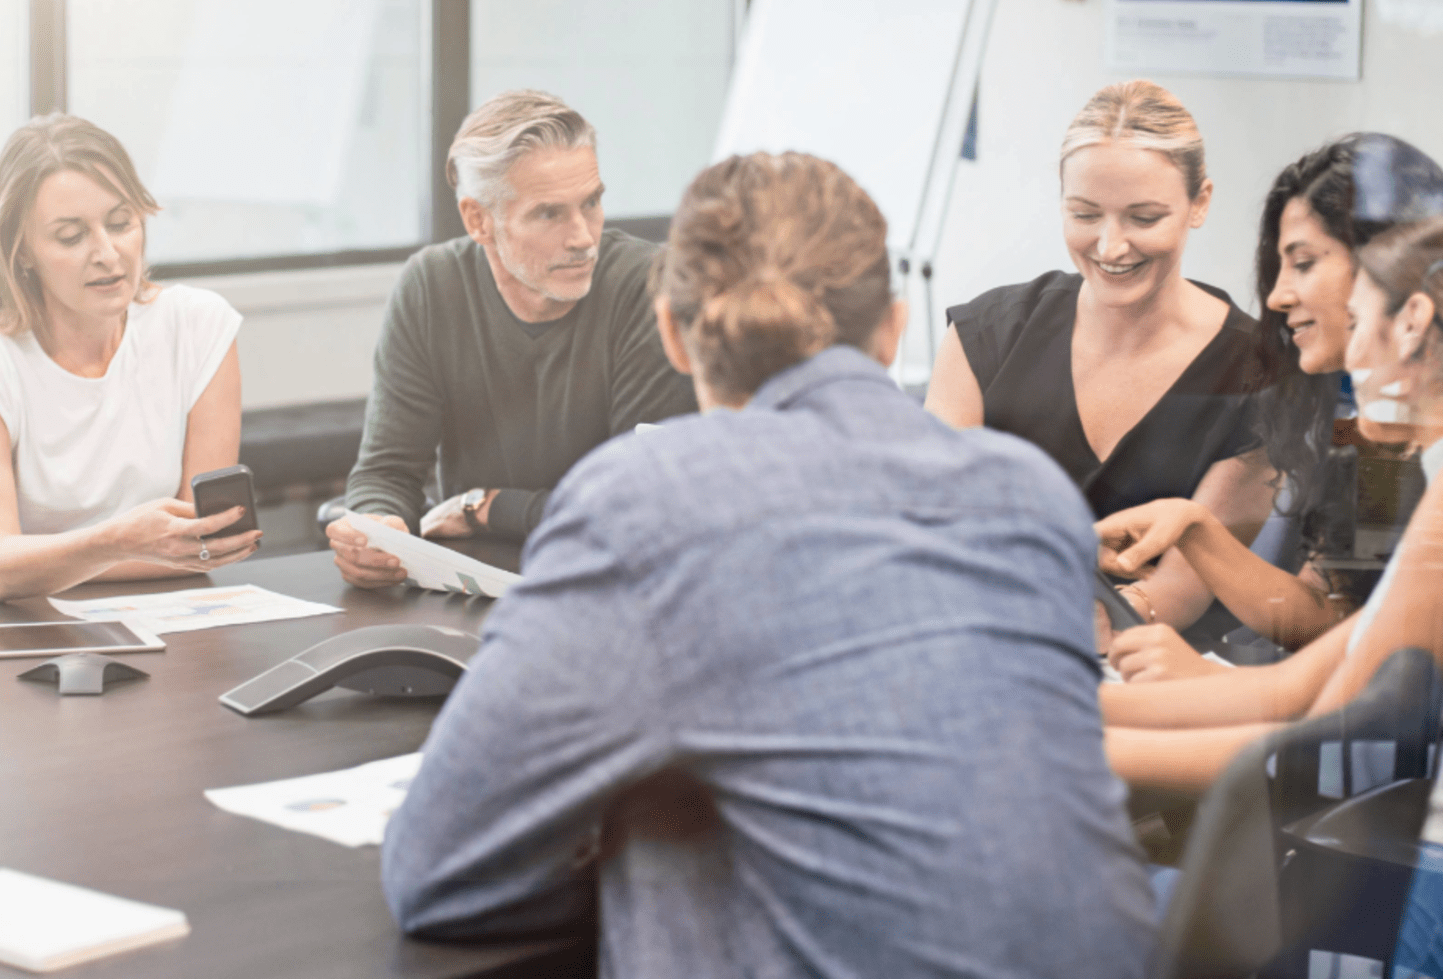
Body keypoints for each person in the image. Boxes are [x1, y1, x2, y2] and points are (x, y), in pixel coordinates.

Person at [382, 152, 1157, 977]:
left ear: (673, 334)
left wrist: (628, 832)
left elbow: (438, 870)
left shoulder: (647, 500)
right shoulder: (1029, 492)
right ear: (894, 329)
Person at [1100, 209, 1443, 978]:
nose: (1342, 357)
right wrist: (1073, 704)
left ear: (1414, 322)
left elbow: (1331, 730)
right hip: (1425, 873)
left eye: (1356, 321)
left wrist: (1071, 739)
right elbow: (1311, 677)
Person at [1101, 134, 1443, 681]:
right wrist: (1196, 532)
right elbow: (1330, 616)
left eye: (1304, 263)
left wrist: (1212, 683)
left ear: (1393, 268)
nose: (1276, 297)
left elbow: (1404, 679)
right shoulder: (1371, 424)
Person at [925, 79, 1274, 633]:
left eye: (1144, 218)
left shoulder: (1257, 373)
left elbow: (1176, 593)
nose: (1111, 247)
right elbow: (936, 531)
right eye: (1085, 215)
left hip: (1158, 663)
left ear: (1200, 203)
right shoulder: (986, 337)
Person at [326, 89, 697, 588]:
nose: (583, 237)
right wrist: (376, 529)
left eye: (591, 203)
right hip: (475, 584)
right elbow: (386, 471)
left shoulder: (647, 288)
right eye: (549, 214)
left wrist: (489, 507)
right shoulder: (432, 286)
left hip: (614, 582)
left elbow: (635, 508)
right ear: (478, 220)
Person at [0, 114, 259, 599]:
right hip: (28, 629)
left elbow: (203, 542)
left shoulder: (199, 325)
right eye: (71, 236)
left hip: (170, 618)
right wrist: (116, 542)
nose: (107, 253)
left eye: (121, 224)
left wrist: (45, 562)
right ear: (23, 253)